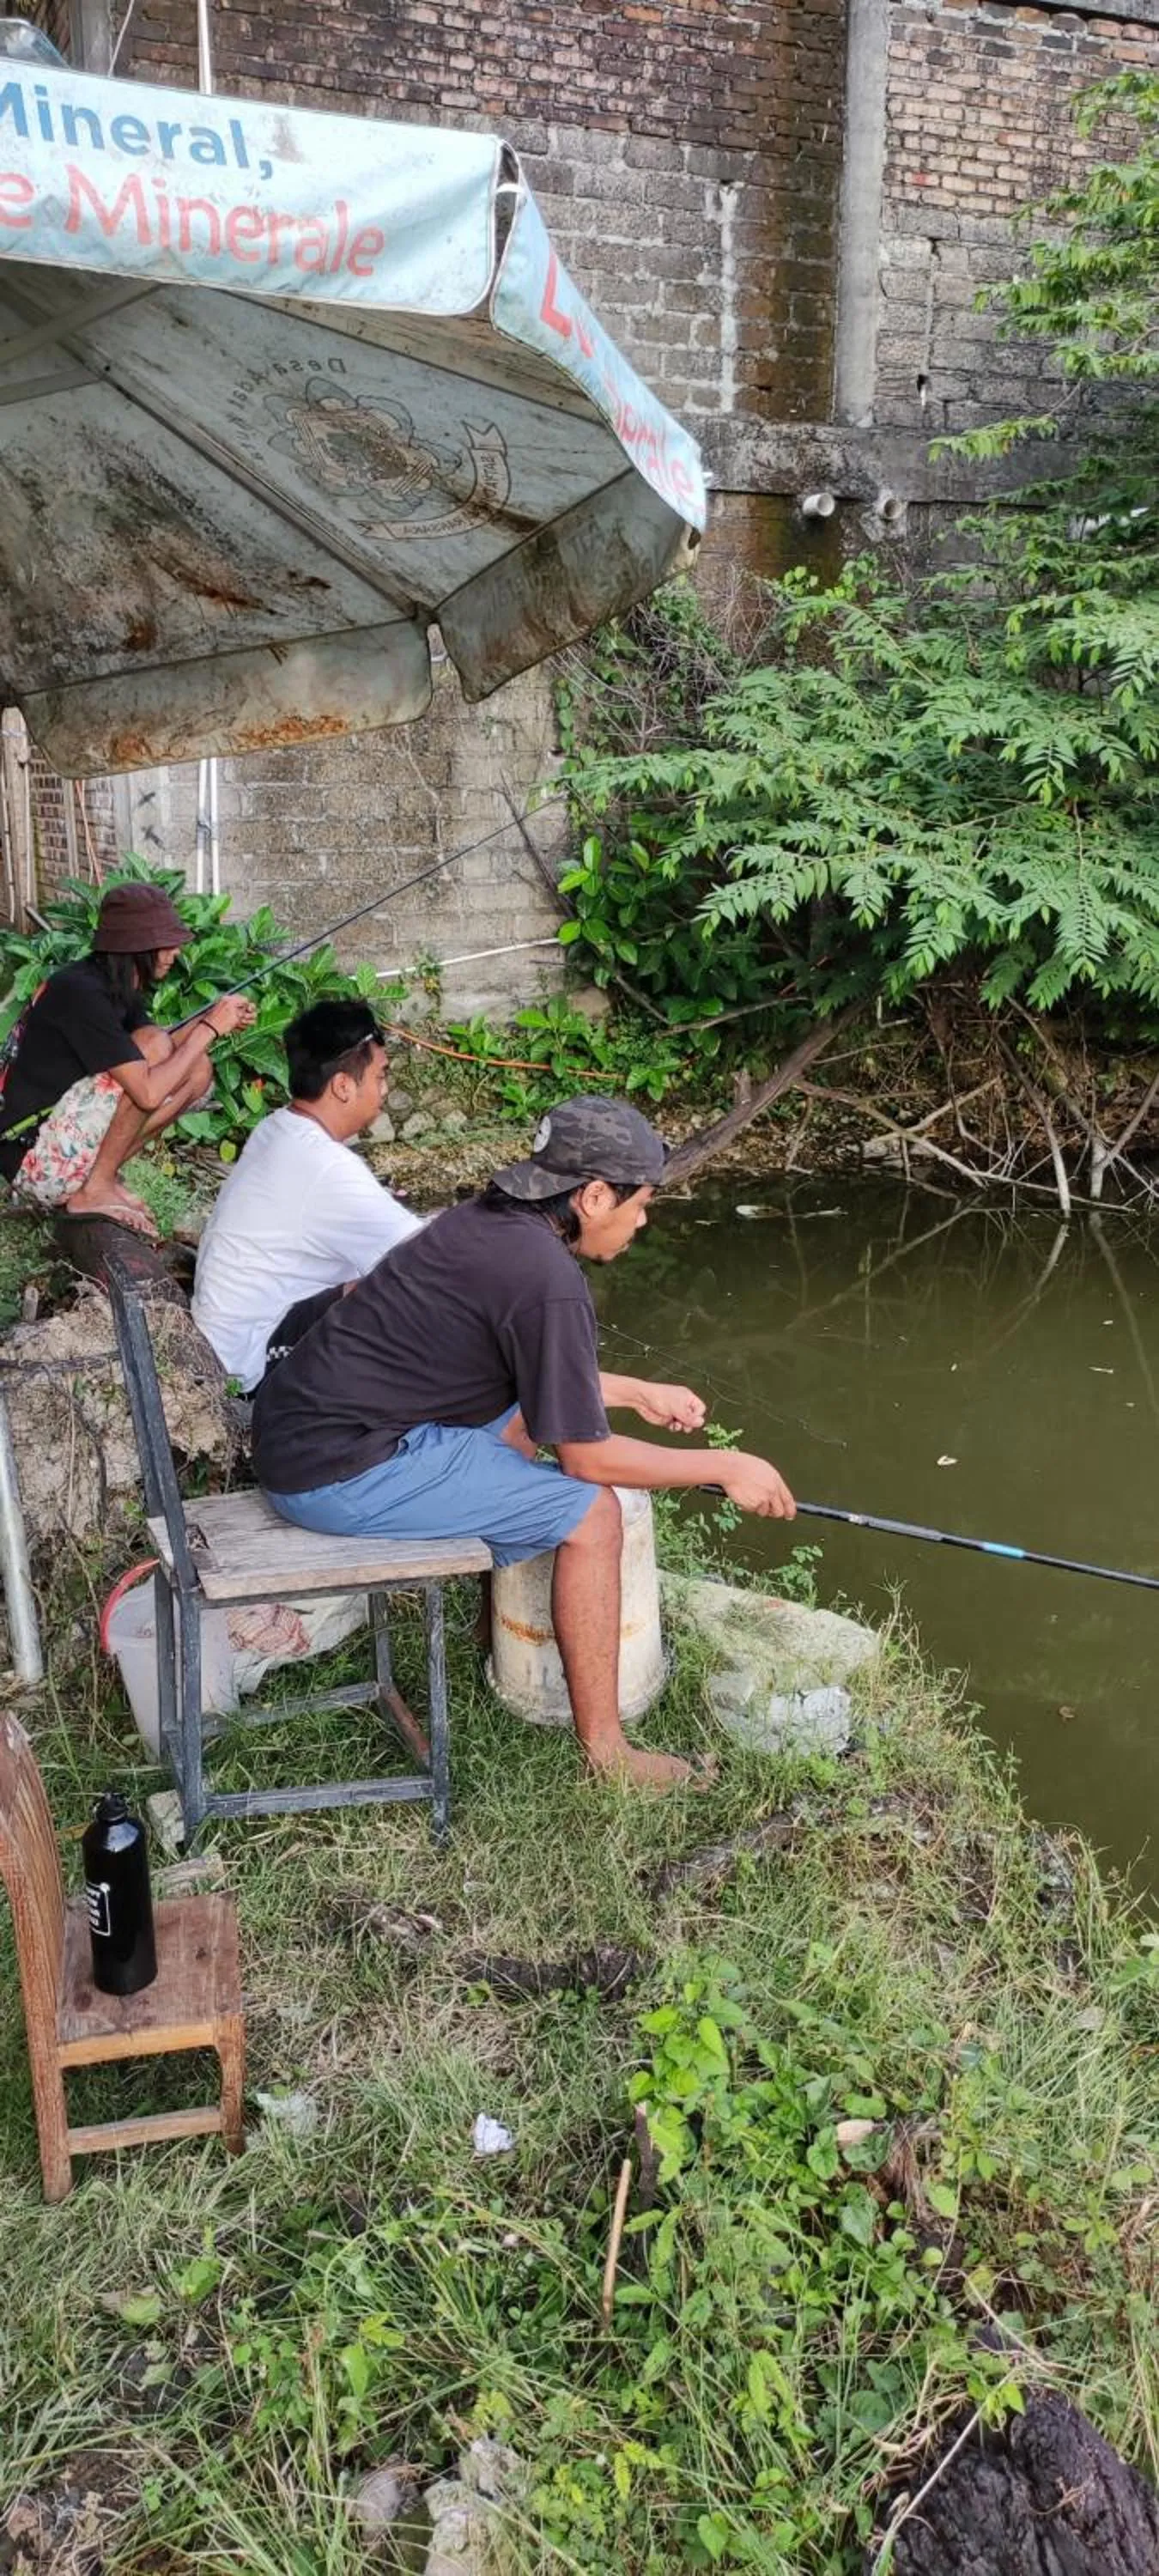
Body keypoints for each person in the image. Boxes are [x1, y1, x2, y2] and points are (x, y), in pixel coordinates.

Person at [252, 1095, 796, 1792]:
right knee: (591, 1516)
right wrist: (724, 1465)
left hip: (303, 1432)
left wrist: (637, 1393)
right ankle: (610, 1757)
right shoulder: (546, 1279)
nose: (643, 1219)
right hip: (335, 1471)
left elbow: (534, 1372)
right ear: (595, 1196)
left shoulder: (486, 1224)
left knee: (518, 1420)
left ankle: (492, 1633)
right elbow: (587, 1459)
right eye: (641, 1203)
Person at [192, 998, 422, 1394]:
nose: (384, 1090)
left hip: (226, 1338)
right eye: (380, 1076)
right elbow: (427, 1254)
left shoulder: (278, 1128)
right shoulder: (327, 1167)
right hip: (247, 1364)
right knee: (404, 1289)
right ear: (343, 1086)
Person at [0, 882, 254, 1236]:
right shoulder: (81, 993)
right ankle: (94, 1188)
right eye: (166, 942)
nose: (176, 951)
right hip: (34, 1161)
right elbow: (148, 1090)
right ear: (136, 946)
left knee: (198, 1070)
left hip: (58, 1144)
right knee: (152, 1051)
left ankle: (100, 1178)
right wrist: (209, 1028)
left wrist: (213, 1019)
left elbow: (168, 1043)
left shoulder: (114, 985)